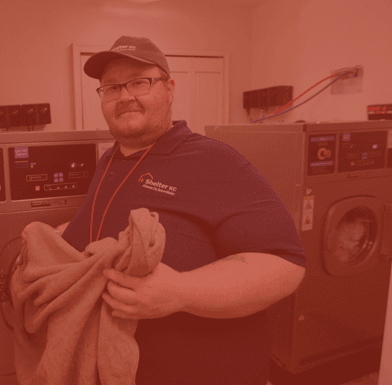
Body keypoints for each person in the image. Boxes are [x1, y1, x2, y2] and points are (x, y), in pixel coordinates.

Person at [58, 36, 307, 385]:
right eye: (112, 87)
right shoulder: (110, 160)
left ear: (169, 88)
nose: (125, 95)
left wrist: (180, 292)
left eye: (139, 82)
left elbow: (286, 265)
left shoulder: (217, 162)